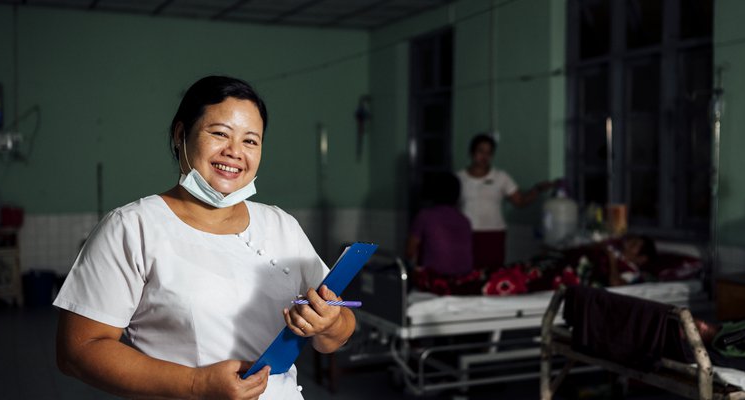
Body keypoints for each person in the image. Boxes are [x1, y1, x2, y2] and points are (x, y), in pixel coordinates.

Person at [53, 76, 355, 399]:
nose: (234, 152)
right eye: (220, 134)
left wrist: (330, 324)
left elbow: (340, 325)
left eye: (250, 141)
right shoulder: (131, 228)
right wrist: (195, 385)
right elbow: (78, 350)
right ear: (181, 135)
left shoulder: (281, 225)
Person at [457, 133, 559, 270]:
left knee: (492, 274)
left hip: (494, 234)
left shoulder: (501, 177)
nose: (484, 157)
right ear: (472, 152)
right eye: (481, 151)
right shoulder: (459, 178)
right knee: (467, 273)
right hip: (466, 234)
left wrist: (537, 189)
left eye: (489, 153)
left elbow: (520, 201)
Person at [406, 171, 474, 292]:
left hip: (436, 280)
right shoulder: (465, 221)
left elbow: (409, 252)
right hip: (464, 280)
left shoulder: (425, 216)